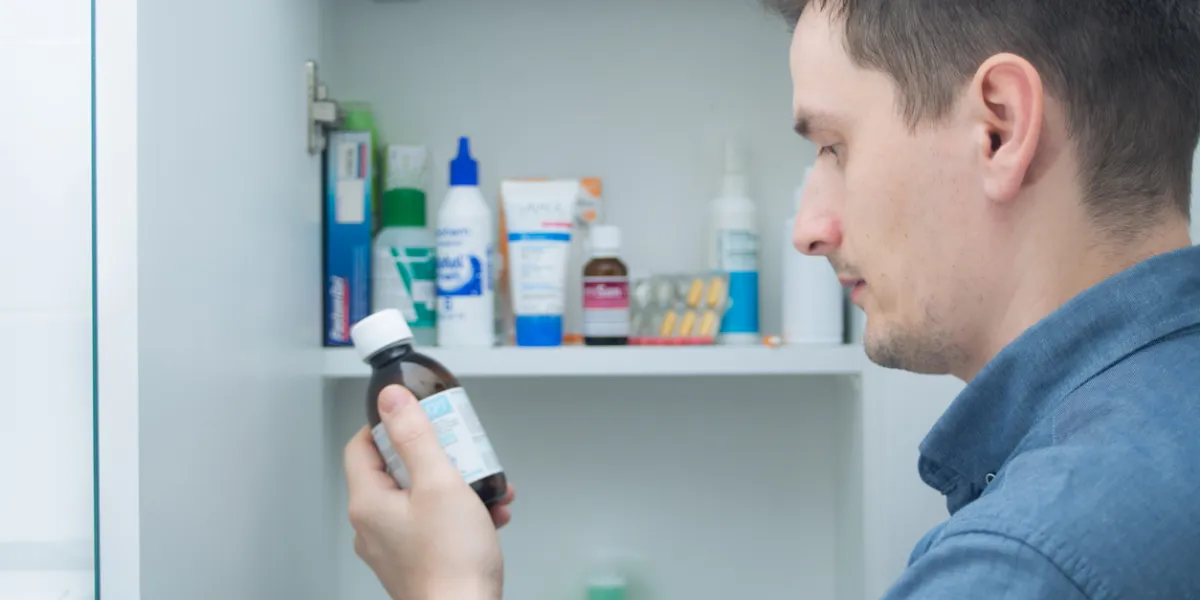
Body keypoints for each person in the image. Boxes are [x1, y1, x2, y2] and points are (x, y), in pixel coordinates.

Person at [343, 0, 1200, 597]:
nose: (810, 229)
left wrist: (449, 589)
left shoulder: (1021, 567)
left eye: (832, 146)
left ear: (999, 128)